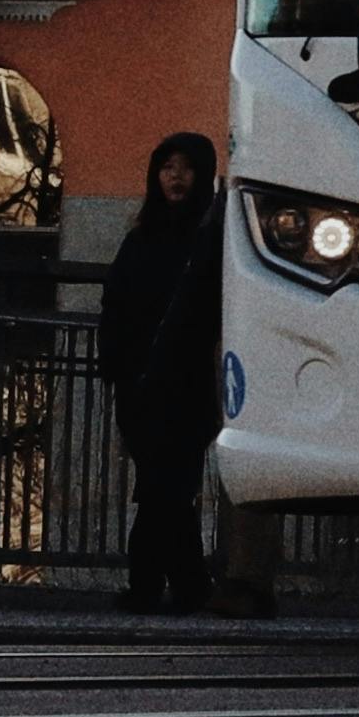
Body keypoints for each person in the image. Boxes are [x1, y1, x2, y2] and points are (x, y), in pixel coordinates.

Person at [102, 132, 228, 617]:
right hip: (141, 380)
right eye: (167, 167)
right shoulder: (142, 239)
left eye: (186, 168)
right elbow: (116, 304)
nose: (175, 177)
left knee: (163, 487)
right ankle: (186, 583)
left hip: (186, 380)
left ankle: (153, 583)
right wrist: (116, 363)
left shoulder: (205, 240)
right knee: (166, 488)